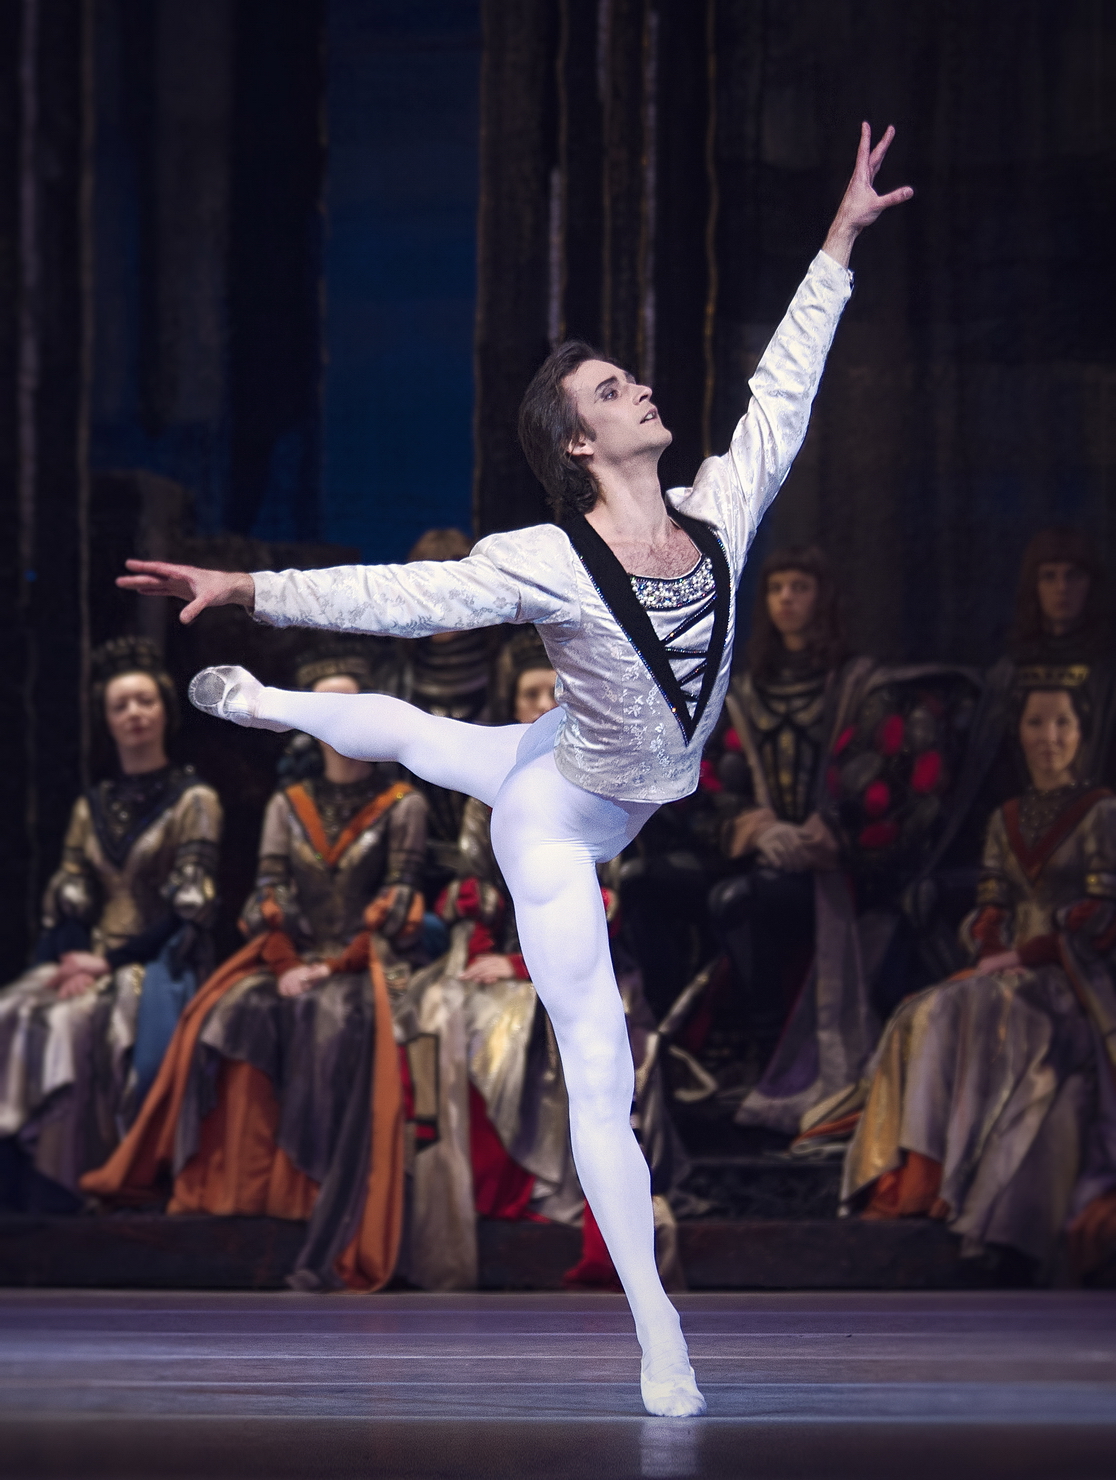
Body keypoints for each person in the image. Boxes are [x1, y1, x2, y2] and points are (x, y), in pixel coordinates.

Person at [116, 123, 912, 1417]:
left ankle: (272, 703)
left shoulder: (718, 512)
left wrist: (838, 242)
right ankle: (658, 1330)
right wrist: (250, 588)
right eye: (611, 389)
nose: (639, 390)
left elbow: (784, 392)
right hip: (562, 814)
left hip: (595, 763)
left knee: (440, 742)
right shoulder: (545, 559)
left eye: (630, 378)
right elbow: (403, 593)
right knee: (593, 1052)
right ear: (579, 443)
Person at [81, 646, 428, 1292]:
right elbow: (268, 893)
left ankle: (318, 1196)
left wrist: (331, 967)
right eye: (324, 706)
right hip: (292, 958)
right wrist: (288, 963)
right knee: (232, 1010)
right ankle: (237, 1185)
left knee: (330, 1018)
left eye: (350, 703)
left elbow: (398, 900)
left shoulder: (402, 802)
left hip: (365, 964)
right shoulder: (286, 803)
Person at [840, 679, 1116, 1271]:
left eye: (1062, 724)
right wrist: (988, 932)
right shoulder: (1006, 817)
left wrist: (1028, 951)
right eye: (1037, 724)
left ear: (1082, 735)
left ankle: (966, 1183)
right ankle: (920, 1174)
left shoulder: (1101, 812)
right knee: (928, 1010)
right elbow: (991, 899)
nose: (1049, 738)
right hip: (1006, 971)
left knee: (994, 1014)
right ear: (1019, 733)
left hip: (1071, 979)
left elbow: (1101, 913)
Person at [0, 638, 222, 1207]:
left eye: (145, 701)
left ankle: (97, 1177)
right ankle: (30, 1184)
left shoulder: (195, 799)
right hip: (93, 955)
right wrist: (75, 960)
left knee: (81, 1023)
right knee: (14, 1008)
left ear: (165, 709)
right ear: (106, 719)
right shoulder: (92, 804)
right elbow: (72, 895)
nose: (134, 713)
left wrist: (108, 963)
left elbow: (187, 907)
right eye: (120, 705)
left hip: (160, 960)